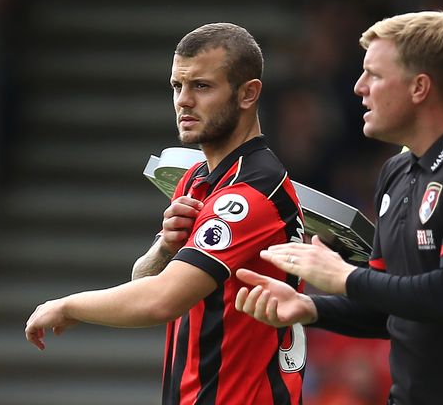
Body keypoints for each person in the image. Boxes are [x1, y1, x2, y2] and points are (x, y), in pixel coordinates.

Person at [237, 11, 443, 404]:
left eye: (374, 75)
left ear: (419, 87)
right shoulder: (398, 172)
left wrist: (343, 277)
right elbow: (388, 307)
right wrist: (309, 307)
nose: (358, 87)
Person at [25, 23, 306, 405]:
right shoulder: (196, 179)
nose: (183, 101)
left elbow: (162, 300)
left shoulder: (252, 194)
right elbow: (143, 279)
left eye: (202, 86)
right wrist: (164, 249)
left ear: (248, 94)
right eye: (177, 86)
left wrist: (68, 304)